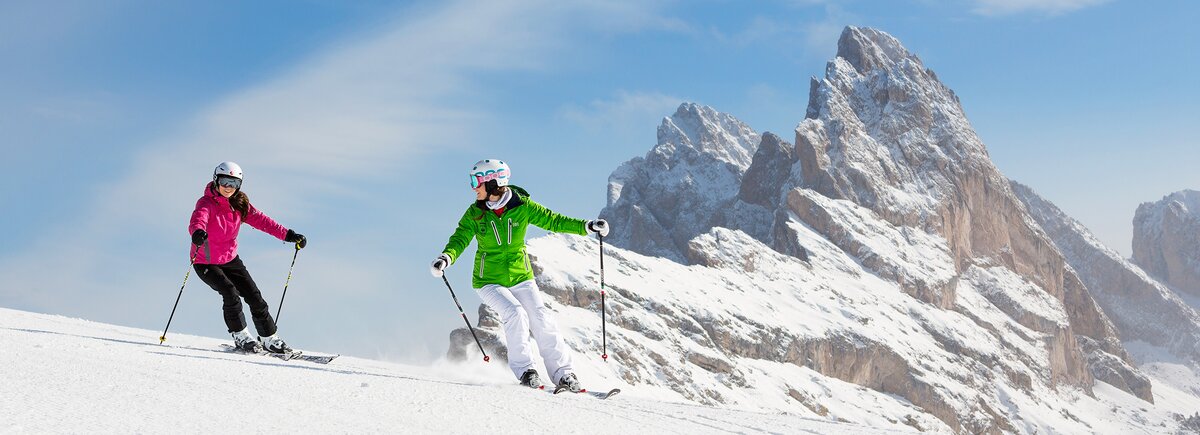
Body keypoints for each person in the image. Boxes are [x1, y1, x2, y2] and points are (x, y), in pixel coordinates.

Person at [431, 159, 609, 392]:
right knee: (514, 313)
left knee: (541, 318)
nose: (473, 187)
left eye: (476, 181)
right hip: (488, 280)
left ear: (493, 183)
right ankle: (526, 370)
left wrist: (587, 226)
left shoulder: (523, 207)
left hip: (520, 277)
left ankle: (564, 374)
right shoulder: (475, 213)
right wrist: (446, 257)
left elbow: (553, 220)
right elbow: (460, 238)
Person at [189, 161, 307, 354]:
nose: (229, 187)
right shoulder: (206, 203)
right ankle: (241, 335)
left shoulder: (240, 204)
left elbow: (263, 221)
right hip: (205, 261)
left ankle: (270, 338)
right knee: (229, 292)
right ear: (216, 180)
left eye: (234, 183)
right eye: (225, 181)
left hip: (230, 259)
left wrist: (288, 235)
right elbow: (198, 219)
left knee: (254, 296)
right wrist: (197, 233)